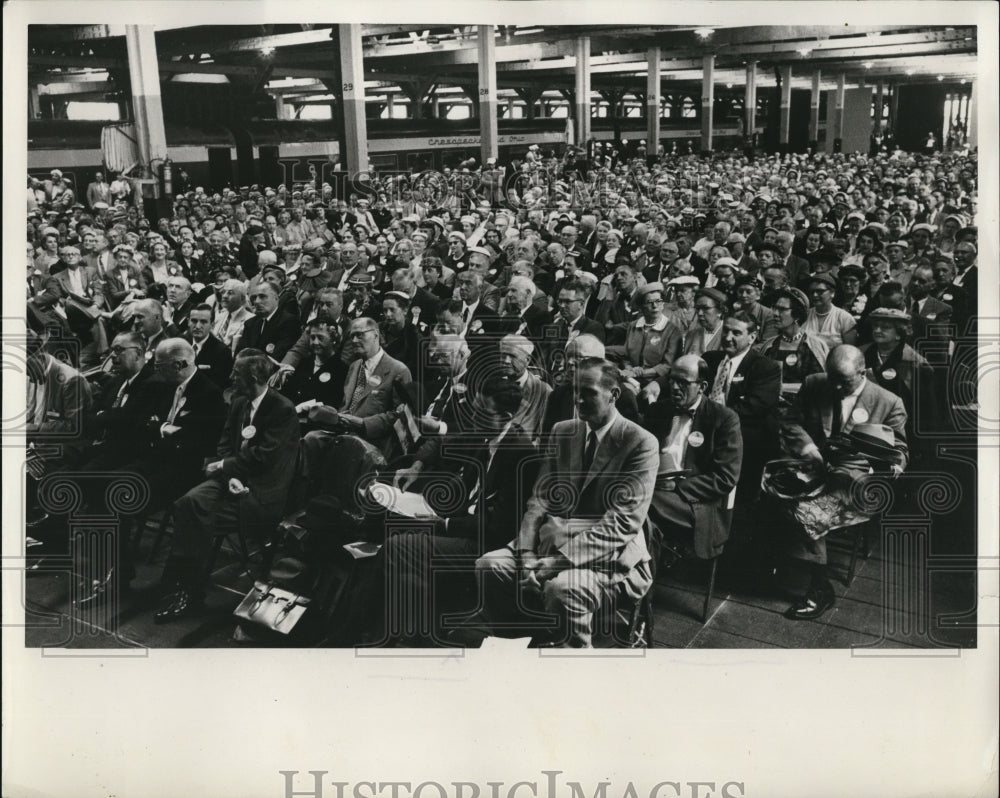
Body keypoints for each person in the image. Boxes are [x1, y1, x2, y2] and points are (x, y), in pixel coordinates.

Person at [473, 359, 659, 647]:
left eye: (589, 392)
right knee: (489, 566)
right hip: (551, 545)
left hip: (609, 558)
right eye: (575, 390)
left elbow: (621, 523)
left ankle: (573, 665)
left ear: (614, 395)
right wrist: (525, 557)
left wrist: (555, 563)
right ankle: (515, 645)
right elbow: (539, 500)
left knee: (563, 588)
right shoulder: (563, 431)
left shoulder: (640, 442)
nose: (578, 399)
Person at [379, 377, 538, 645]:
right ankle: (406, 628)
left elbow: (498, 528)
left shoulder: (522, 455)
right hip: (461, 522)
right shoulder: (484, 433)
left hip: (483, 544)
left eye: (480, 411)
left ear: (506, 416)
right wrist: (416, 465)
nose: (472, 417)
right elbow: (443, 443)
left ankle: (409, 633)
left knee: (398, 547)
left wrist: (443, 524)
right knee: (389, 523)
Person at [155, 349, 299, 623]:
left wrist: (225, 467)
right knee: (187, 503)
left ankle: (187, 591)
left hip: (260, 488)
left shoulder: (282, 409)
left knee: (197, 515)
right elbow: (224, 442)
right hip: (232, 478)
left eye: (236, 372)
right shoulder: (239, 402)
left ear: (254, 376)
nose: (231, 376)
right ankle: (179, 587)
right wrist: (228, 472)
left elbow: (265, 457)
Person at [774, 345, 908, 620]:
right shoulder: (815, 383)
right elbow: (790, 422)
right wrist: (809, 448)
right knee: (772, 490)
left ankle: (819, 587)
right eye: (832, 378)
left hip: (857, 481)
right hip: (813, 465)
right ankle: (798, 562)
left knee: (804, 512)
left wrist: (892, 465)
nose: (835, 387)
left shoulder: (888, 401)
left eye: (843, 381)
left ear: (862, 373)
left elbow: (900, 451)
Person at [643, 354, 743, 560]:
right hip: (654, 490)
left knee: (639, 506)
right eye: (672, 380)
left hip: (696, 503)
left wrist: (678, 486)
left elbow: (725, 478)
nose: (674, 387)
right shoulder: (659, 411)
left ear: (702, 386)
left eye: (683, 383)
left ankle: (636, 586)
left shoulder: (724, 419)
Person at [301, 316, 414, 464]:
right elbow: (345, 404)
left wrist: (362, 423)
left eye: (359, 335)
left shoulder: (398, 370)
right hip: (343, 431)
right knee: (309, 440)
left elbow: (400, 415)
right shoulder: (354, 366)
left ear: (376, 334)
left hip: (371, 440)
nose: (354, 341)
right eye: (352, 336)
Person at [702, 312, 781, 502]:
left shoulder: (765, 367)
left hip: (744, 436)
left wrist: (723, 411)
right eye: (726, 331)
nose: (728, 338)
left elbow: (756, 406)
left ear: (752, 338)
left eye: (736, 333)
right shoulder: (710, 359)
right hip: (707, 428)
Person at [605, 282, 682, 400]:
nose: (655, 306)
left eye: (658, 301)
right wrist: (629, 368)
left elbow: (668, 366)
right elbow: (626, 354)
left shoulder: (672, 330)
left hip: (659, 381)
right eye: (649, 302)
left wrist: (639, 373)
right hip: (631, 377)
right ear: (641, 306)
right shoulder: (634, 326)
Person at [497, 334, 551, 442]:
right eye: (503, 355)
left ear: (527, 360)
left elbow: (544, 438)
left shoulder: (544, 392)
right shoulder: (492, 383)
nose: (506, 361)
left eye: (513, 356)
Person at [235, 280, 301, 360]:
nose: (257, 301)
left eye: (262, 296)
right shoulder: (250, 323)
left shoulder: (289, 322)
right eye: (254, 297)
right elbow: (239, 354)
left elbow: (278, 356)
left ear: (276, 298)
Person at [186, 303, 234, 391]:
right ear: (188, 322)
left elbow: (220, 386)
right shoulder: (181, 343)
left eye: (203, 322)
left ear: (212, 325)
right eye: (194, 321)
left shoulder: (222, 352)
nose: (197, 326)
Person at [802, 272, 857, 347]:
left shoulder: (845, 318)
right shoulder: (804, 315)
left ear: (832, 293)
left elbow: (850, 351)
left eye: (820, 291)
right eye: (812, 292)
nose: (814, 295)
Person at [212, 279, 255, 353]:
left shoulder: (251, 320)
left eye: (230, 293)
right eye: (223, 292)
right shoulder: (219, 316)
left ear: (242, 298)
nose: (224, 296)